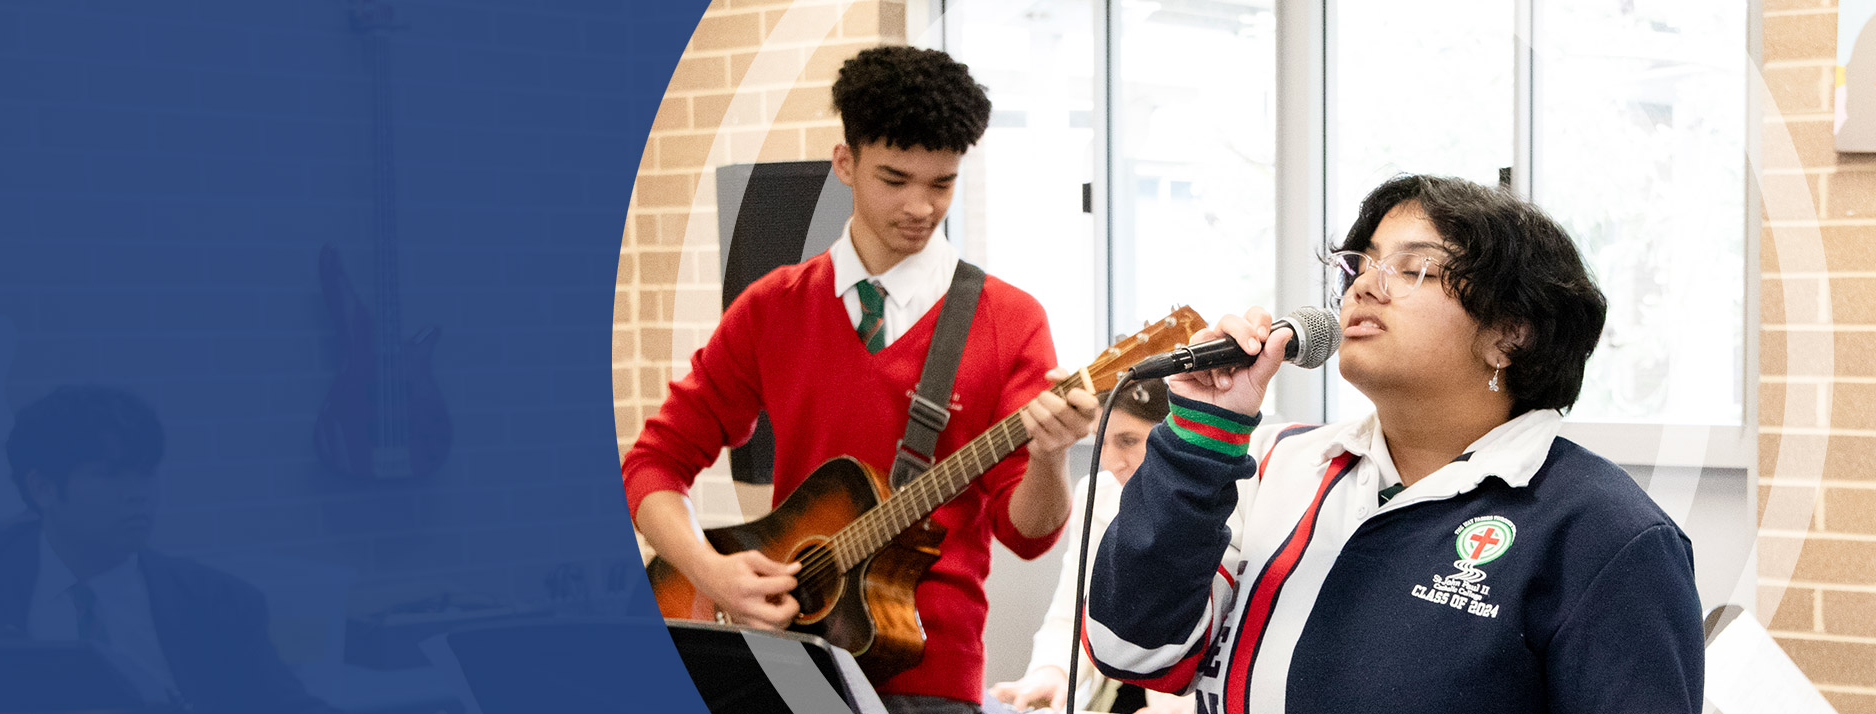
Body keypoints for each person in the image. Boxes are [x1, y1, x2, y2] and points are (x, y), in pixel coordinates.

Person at [1082, 175, 1703, 714]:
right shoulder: (1273, 464)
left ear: (1509, 337)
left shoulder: (1604, 533)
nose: (1363, 288)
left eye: (1414, 270)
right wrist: (1203, 433)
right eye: (1362, 264)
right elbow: (1131, 650)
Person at [623, 46, 1098, 713]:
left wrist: (1050, 457)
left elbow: (1030, 533)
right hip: (786, 665)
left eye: (942, 183)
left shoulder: (1010, 320)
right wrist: (713, 574)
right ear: (844, 163)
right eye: (894, 178)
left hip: (934, 679)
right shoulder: (772, 305)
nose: (920, 207)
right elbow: (653, 464)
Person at [0, 385, 339, 714]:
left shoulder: (218, 605)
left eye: (145, 472)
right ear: (43, 489)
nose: (138, 494)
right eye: (110, 475)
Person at [987, 377, 1189, 714]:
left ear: (1180, 435)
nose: (1110, 462)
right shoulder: (1097, 493)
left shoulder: (1230, 504)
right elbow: (1073, 612)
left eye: (1128, 441)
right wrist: (1051, 671)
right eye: (1101, 443)